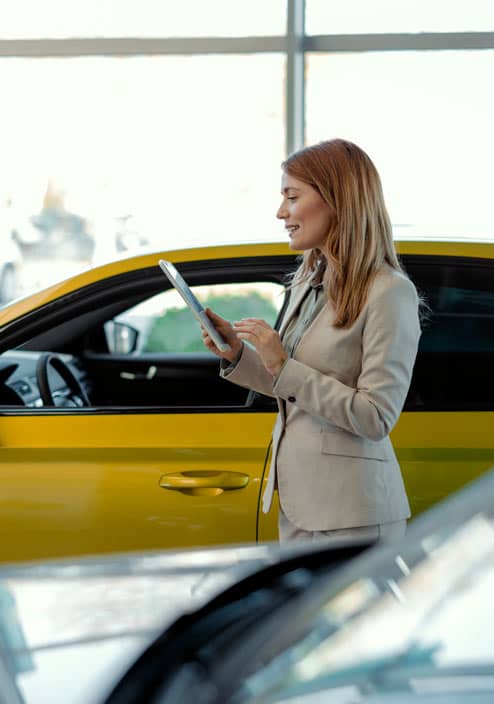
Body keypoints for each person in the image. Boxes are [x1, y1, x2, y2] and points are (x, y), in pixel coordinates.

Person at [200, 138, 421, 543]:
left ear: (336, 199)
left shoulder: (389, 292)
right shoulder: (308, 279)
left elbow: (376, 416)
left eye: (292, 196)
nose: (281, 212)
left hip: (353, 514)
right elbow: (291, 387)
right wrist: (238, 355)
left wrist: (284, 365)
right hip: (301, 504)